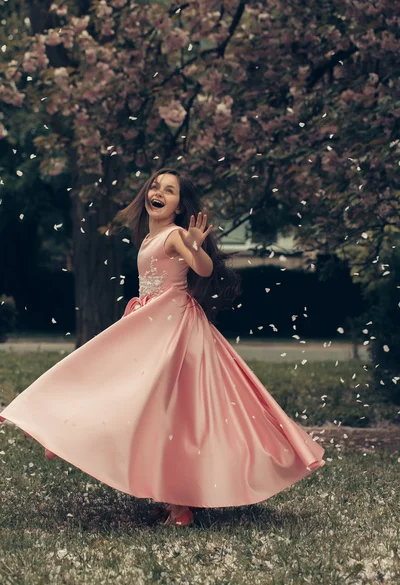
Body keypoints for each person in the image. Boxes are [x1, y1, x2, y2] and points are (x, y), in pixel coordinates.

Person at [0, 168, 325, 527]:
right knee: (149, 404)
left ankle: (178, 503)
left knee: (176, 411)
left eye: (168, 191)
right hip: (152, 322)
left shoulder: (175, 236)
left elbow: (200, 268)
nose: (158, 192)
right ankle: (170, 495)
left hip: (173, 329)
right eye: (155, 186)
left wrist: (197, 246)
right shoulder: (147, 238)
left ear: (178, 205)